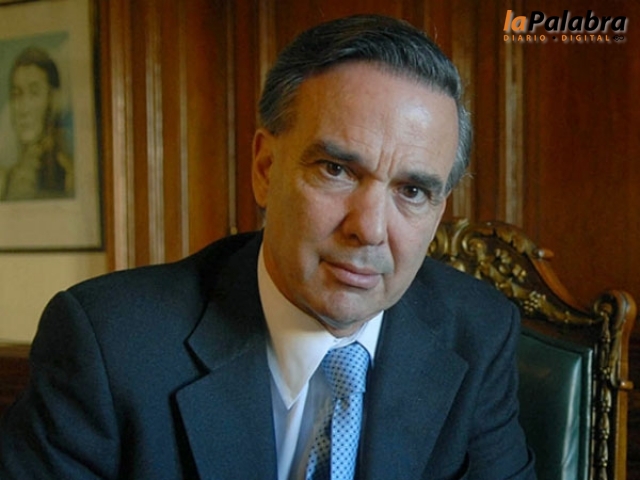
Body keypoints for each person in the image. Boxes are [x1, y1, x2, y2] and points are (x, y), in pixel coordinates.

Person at [0, 14, 535, 480]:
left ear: (439, 210)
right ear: (264, 168)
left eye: (412, 191)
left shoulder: (478, 333)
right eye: (336, 170)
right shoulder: (110, 344)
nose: (370, 229)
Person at [0, 46, 74, 201]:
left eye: (34, 93)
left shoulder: (71, 175)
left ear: (53, 100)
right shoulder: (4, 180)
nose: (23, 109)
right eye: (17, 94)